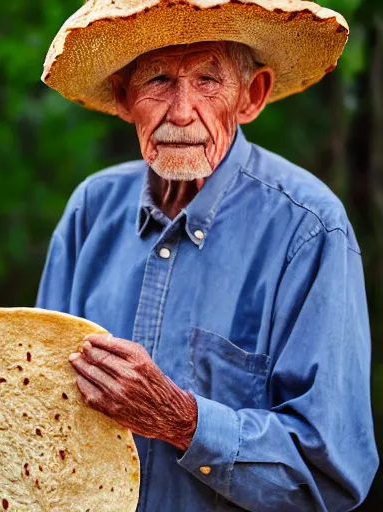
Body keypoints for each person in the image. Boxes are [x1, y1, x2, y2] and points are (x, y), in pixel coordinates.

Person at [36, 0, 379, 510]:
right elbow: (39, 412)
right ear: (123, 97)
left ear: (251, 96)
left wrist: (181, 419)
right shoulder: (91, 210)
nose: (180, 112)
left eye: (207, 80)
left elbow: (331, 477)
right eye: (157, 80)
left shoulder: (308, 229)